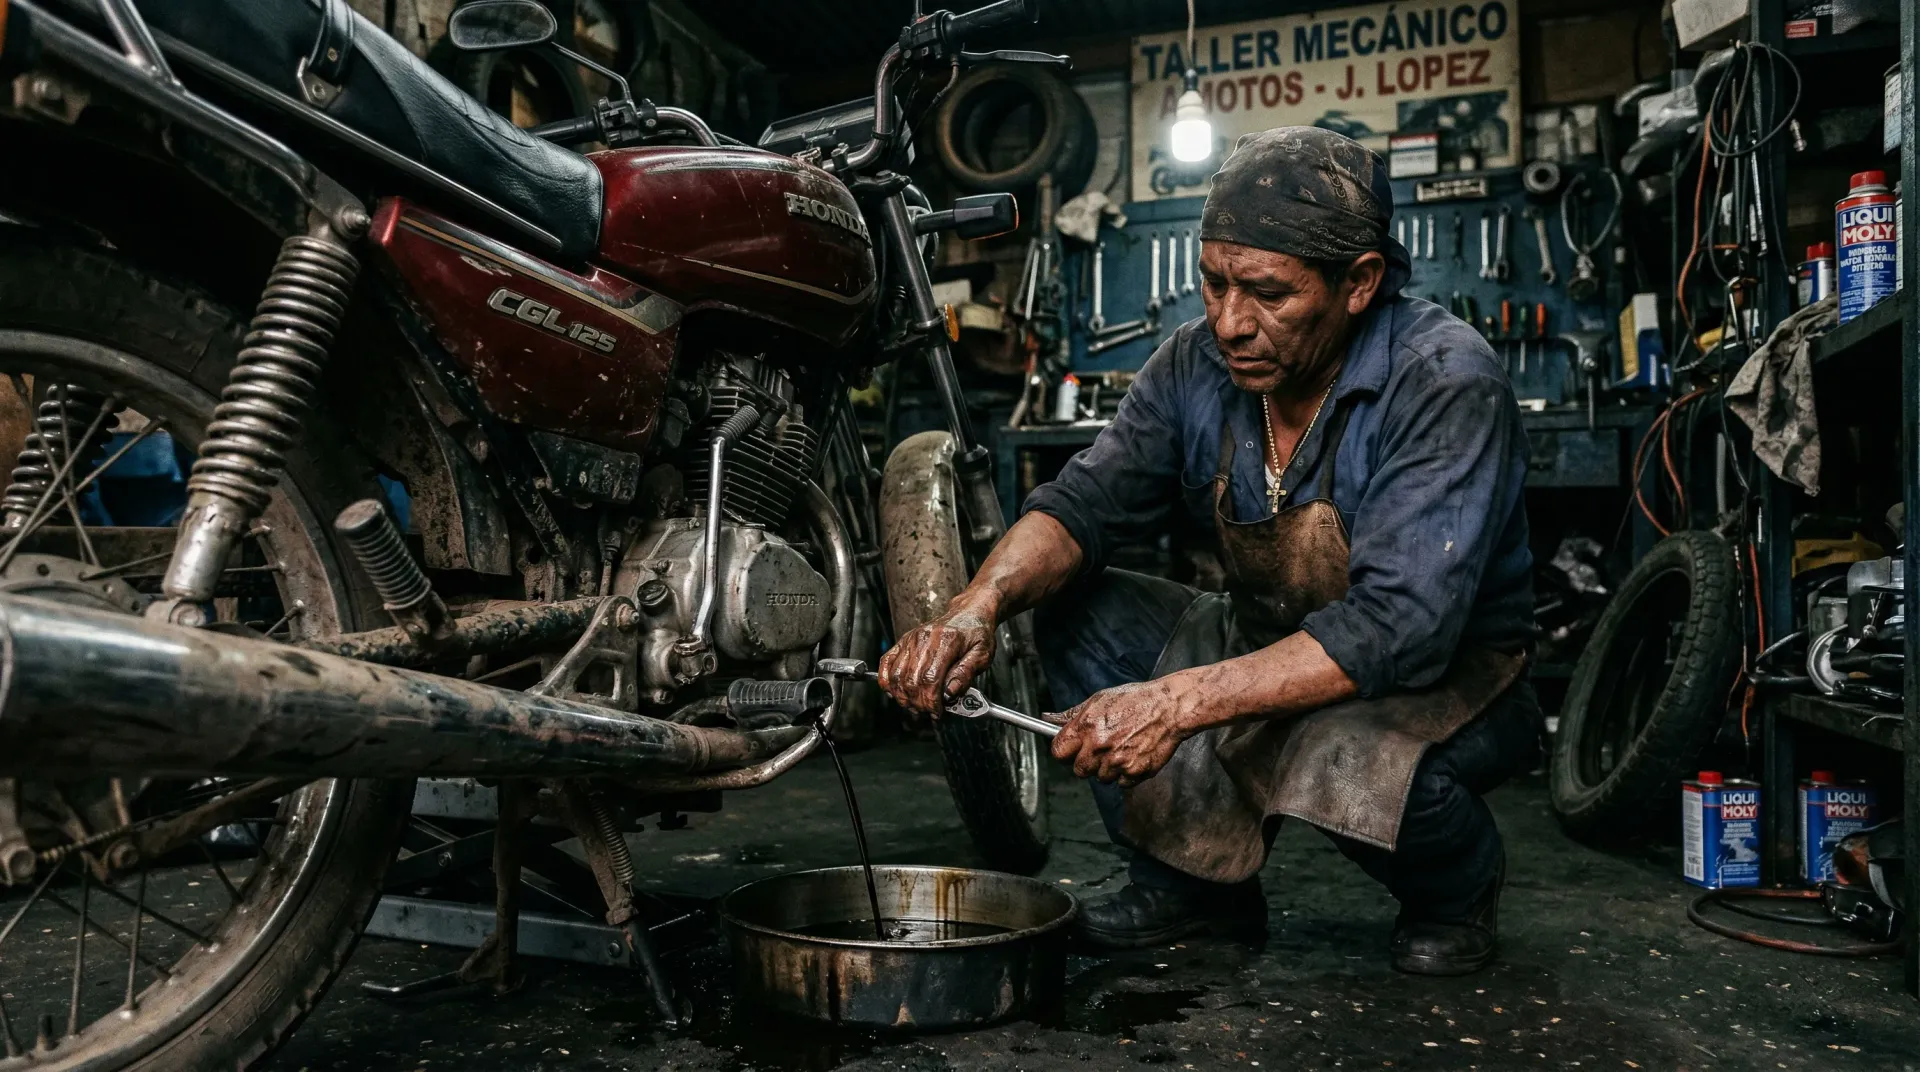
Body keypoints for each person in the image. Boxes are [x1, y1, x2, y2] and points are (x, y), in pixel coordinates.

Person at [878, 126, 1541, 976]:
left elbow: (1398, 629)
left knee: (1328, 748)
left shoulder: (1444, 380)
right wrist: (977, 604)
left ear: (1359, 284)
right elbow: (1085, 503)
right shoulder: (1193, 364)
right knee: (1077, 615)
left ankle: (1454, 888)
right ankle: (1196, 890)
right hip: (1267, 630)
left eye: (1267, 293)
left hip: (1452, 672)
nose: (1230, 322)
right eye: (1214, 283)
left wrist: (1175, 704)